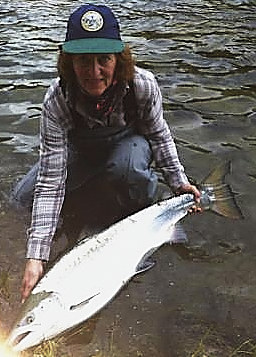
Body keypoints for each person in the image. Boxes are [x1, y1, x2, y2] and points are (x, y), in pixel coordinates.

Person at [10, 4, 200, 303]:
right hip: (82, 150)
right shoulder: (56, 100)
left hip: (129, 147)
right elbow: (51, 179)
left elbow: (159, 137)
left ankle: (133, 210)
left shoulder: (142, 85)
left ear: (118, 59)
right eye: (83, 61)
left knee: (126, 166)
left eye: (104, 60)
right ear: (69, 62)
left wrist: (179, 183)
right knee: (22, 199)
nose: (94, 71)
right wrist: (36, 256)